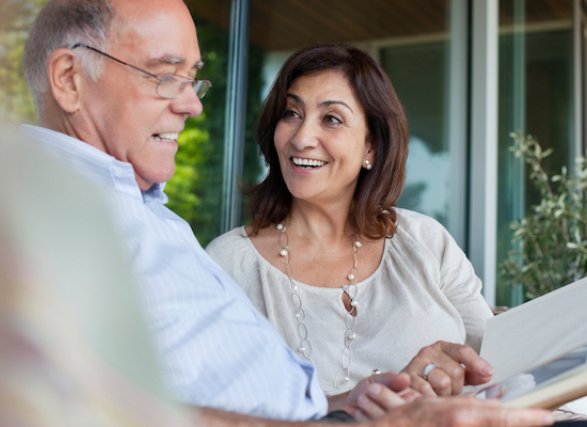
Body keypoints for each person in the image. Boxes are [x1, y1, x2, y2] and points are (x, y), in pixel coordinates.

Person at [19, 0, 556, 426]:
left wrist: (353, 403)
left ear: (373, 147)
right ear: (69, 79)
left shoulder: (155, 221)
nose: (193, 104)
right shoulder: (48, 221)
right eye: (165, 75)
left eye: (332, 119)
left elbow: (497, 353)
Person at [206, 44, 494, 398]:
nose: (302, 137)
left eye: (331, 119)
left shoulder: (427, 241)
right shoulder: (227, 264)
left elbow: (497, 363)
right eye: (291, 113)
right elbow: (213, 405)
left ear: (371, 147)